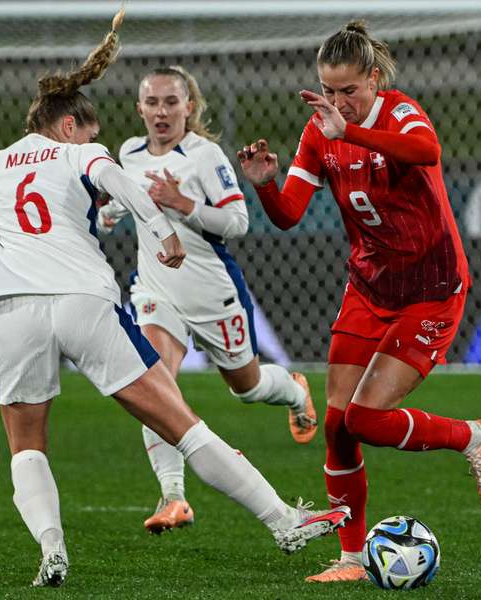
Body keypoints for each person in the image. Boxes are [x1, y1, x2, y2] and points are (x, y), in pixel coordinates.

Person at [0, 8, 349, 588]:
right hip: (83, 300)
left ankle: (52, 551)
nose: (98, 137)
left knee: (26, 446)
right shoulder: (83, 154)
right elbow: (122, 188)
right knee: (184, 423)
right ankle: (283, 522)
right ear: (70, 125)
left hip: (14, 307)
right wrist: (165, 231)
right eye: (90, 130)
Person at [236, 20, 481, 584]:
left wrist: (351, 130)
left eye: (348, 91)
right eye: (327, 90)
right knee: (339, 425)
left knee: (364, 418)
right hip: (369, 286)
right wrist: (263, 183)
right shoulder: (319, 132)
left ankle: (476, 436)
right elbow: (288, 215)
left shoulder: (400, 112)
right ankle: (352, 561)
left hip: (432, 291)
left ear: (375, 79)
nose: (336, 102)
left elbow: (427, 149)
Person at [96, 65, 318, 535]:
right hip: (156, 291)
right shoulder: (128, 154)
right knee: (155, 382)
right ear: (139, 108)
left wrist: (184, 204)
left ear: (188, 107)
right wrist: (112, 210)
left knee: (249, 386)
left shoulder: (204, 156)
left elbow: (237, 222)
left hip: (213, 293)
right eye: (152, 102)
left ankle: (297, 392)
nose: (161, 111)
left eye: (171, 102)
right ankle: (173, 496)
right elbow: (128, 198)